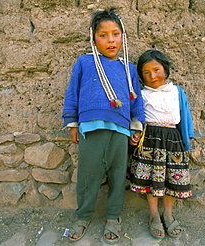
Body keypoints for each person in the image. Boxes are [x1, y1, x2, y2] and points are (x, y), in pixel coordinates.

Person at [62, 7, 144, 244]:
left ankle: (113, 217)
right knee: (88, 176)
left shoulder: (128, 68)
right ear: (93, 38)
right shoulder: (85, 62)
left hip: (120, 129)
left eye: (115, 34)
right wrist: (72, 123)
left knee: (118, 176)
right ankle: (83, 216)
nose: (110, 40)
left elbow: (136, 99)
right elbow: (73, 92)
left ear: (123, 37)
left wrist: (136, 126)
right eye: (103, 35)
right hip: (91, 127)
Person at [128, 49, 194, 239]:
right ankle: (154, 215)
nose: (152, 76)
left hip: (173, 141)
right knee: (151, 180)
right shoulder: (141, 94)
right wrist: (135, 133)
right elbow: (136, 118)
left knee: (170, 179)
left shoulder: (176, 91)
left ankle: (168, 213)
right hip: (149, 141)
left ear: (165, 70)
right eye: (146, 73)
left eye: (156, 70)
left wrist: (187, 138)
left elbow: (185, 116)